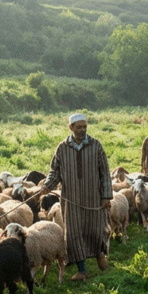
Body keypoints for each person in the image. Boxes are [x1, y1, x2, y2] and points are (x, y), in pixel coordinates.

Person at [40, 113, 113, 282]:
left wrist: (106, 196)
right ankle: (82, 270)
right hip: (71, 199)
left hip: (93, 197)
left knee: (95, 229)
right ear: (70, 128)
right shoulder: (62, 148)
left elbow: (105, 172)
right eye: (78, 127)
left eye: (84, 127)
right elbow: (55, 171)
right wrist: (47, 185)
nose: (82, 130)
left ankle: (100, 254)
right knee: (73, 233)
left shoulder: (96, 146)